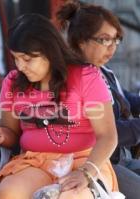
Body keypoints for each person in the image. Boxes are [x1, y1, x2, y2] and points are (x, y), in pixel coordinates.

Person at [0, 14, 119, 199]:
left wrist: (86, 173)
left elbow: (108, 136)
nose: (20, 66)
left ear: (50, 52)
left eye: (27, 59)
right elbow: (11, 134)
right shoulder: (13, 82)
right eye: (16, 58)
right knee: (8, 194)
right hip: (36, 161)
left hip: (85, 161)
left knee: (70, 197)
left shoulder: (86, 77)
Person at [57, 2, 140, 198]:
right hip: (96, 161)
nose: (112, 48)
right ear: (80, 41)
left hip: (120, 157)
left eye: (116, 40)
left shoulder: (101, 70)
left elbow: (125, 101)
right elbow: (103, 132)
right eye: (104, 40)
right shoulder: (76, 78)